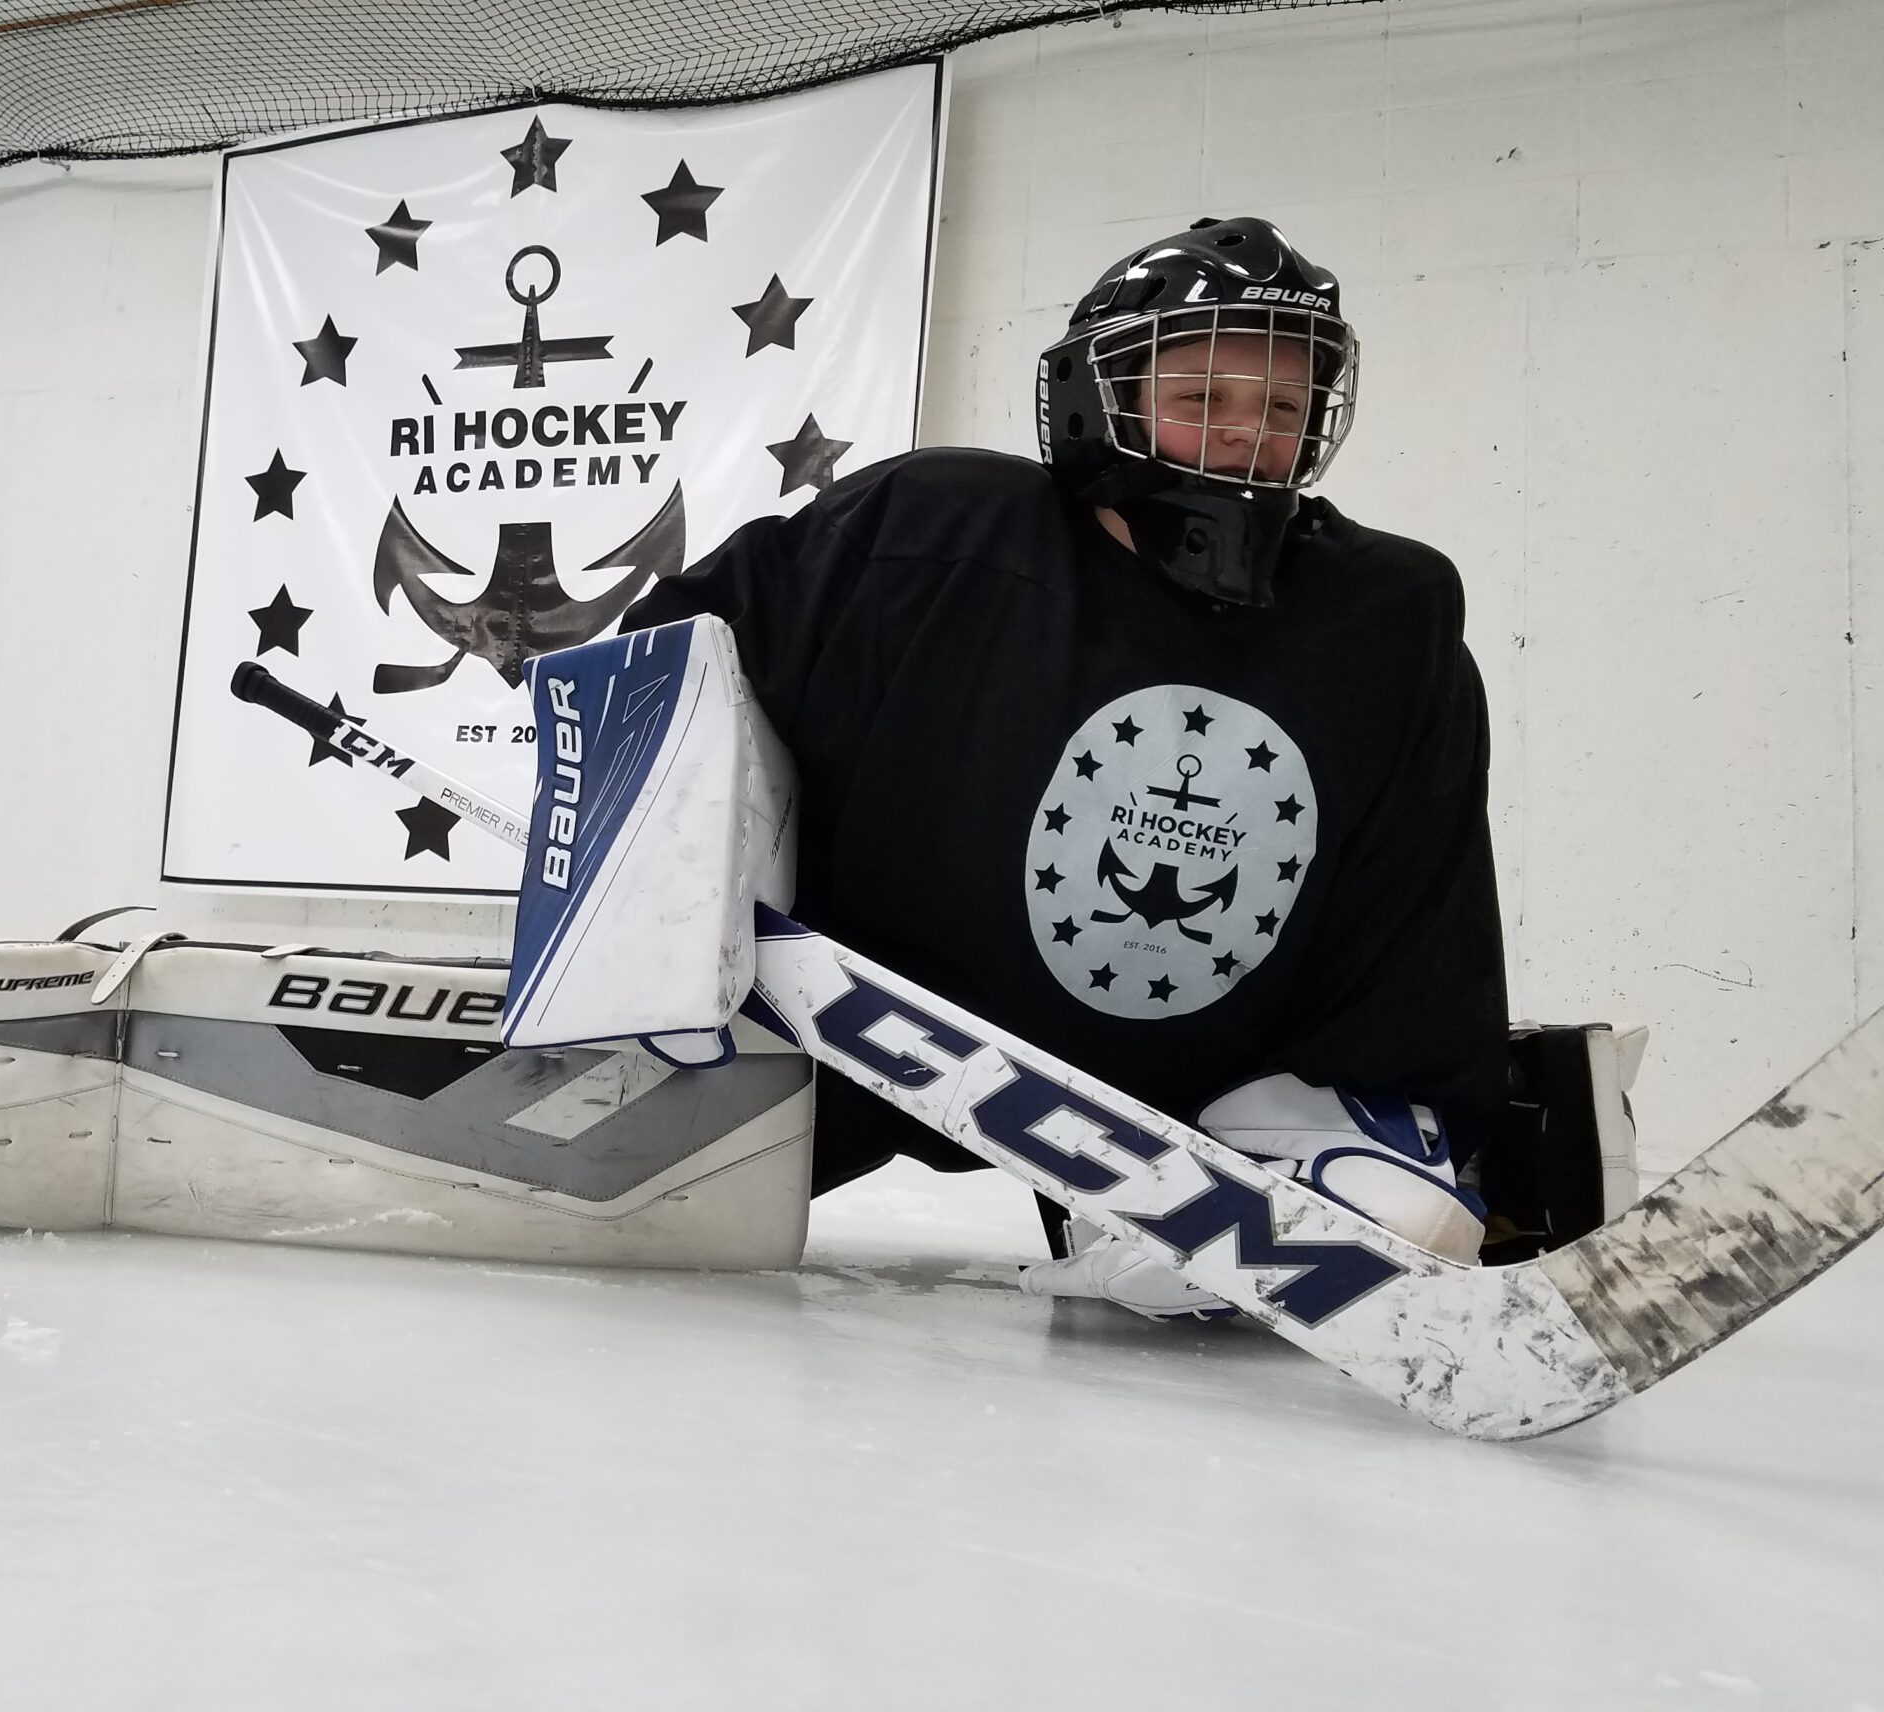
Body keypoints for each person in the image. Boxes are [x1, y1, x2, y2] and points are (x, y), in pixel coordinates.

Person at [622, 217, 1507, 1317]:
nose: (1246, 436)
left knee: (1410, 1220)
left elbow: (1414, 891)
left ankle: (1284, 1142)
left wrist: (1405, 1077)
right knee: (653, 1196)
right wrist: (652, 930)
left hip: (1183, 1095)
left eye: (1281, 408)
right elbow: (657, 673)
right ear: (1101, 399)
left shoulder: (1383, 616)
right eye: (1203, 399)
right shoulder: (930, 531)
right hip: (843, 1049)